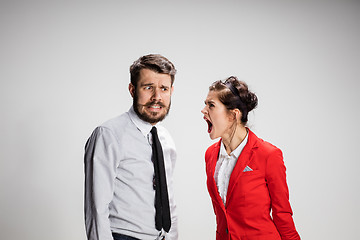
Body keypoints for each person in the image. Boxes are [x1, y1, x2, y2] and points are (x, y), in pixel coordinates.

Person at [84, 54, 178, 240]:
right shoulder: (109, 135)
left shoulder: (165, 138)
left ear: (171, 91)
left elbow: (168, 199)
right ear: (132, 90)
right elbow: (97, 206)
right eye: (148, 87)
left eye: (163, 89)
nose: (157, 97)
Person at [201, 76, 300, 240]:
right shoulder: (210, 154)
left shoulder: (268, 154)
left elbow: (282, 214)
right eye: (205, 104)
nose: (203, 110)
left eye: (211, 105)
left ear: (233, 115)